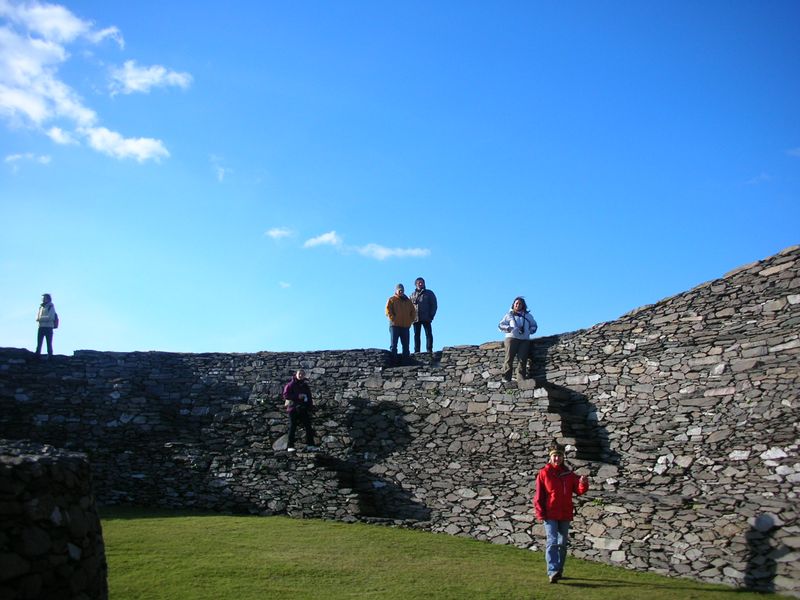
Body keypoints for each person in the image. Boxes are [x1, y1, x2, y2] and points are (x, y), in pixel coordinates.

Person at [533, 441, 590, 584]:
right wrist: (540, 513)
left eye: (559, 456)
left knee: (562, 543)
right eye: (554, 456)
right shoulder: (544, 473)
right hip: (550, 513)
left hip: (564, 513)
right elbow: (539, 496)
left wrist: (582, 482)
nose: (557, 459)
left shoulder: (568, 474)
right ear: (550, 457)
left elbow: (579, 490)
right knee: (552, 542)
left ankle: (559, 570)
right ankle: (552, 571)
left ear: (563, 457)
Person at [497, 296, 537, 381]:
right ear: (513, 305)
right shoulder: (509, 315)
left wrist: (530, 331)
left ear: (523, 305)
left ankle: (521, 379)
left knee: (522, 360)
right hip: (511, 338)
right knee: (509, 359)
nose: (518, 305)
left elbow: (534, 326)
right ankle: (506, 378)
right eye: (516, 303)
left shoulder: (528, 316)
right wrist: (509, 328)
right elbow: (500, 325)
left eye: (520, 304)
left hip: (524, 340)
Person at [282, 369, 318, 452]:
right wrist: (298, 396)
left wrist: (310, 408)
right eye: (299, 374)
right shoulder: (291, 384)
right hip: (293, 409)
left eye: (302, 374)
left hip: (303, 409)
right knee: (292, 427)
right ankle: (290, 446)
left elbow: (309, 397)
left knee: (308, 427)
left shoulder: (305, 386)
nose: (301, 375)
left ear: (304, 375)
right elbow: (285, 395)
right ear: (296, 374)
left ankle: (311, 445)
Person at [385, 283, 416, 365]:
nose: (401, 291)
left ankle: (406, 362)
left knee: (406, 346)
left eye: (402, 290)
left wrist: (410, 321)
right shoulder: (391, 299)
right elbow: (388, 311)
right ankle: (393, 362)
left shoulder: (408, 301)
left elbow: (413, 312)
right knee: (394, 345)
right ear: (396, 291)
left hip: (405, 326)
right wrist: (393, 319)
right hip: (394, 326)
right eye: (399, 290)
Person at [410, 277, 438, 356]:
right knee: (416, 335)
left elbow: (434, 305)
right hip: (416, 318)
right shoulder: (412, 295)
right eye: (419, 282)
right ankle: (417, 351)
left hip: (426, 317)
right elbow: (409, 307)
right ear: (416, 284)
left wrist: (431, 315)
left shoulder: (429, 293)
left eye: (422, 282)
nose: (420, 284)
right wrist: (411, 317)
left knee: (428, 334)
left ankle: (429, 350)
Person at [35, 293, 57, 357]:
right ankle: (37, 355)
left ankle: (50, 356)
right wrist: (39, 319)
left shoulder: (51, 306)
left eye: (44, 298)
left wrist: (40, 319)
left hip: (48, 327)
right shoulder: (41, 307)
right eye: (42, 298)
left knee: (49, 343)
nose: (43, 299)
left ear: (48, 299)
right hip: (41, 327)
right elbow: (37, 317)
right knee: (39, 343)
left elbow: (51, 317)